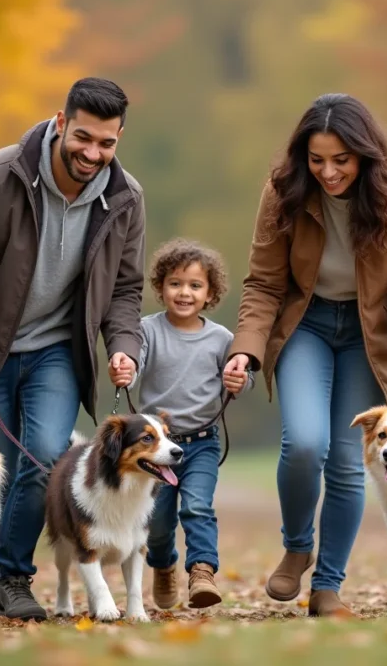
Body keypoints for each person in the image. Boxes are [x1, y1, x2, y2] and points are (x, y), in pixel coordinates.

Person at [0, 77, 146, 622]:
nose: (93, 153)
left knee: (45, 456)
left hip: (58, 351)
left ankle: (10, 579)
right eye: (83, 138)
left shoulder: (126, 199)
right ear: (60, 122)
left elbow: (125, 290)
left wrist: (123, 347)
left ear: (119, 139)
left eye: (107, 143)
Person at [222, 93, 387, 617]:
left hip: (373, 337)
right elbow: (264, 283)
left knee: (348, 462)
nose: (328, 172)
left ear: (365, 154)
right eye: (317, 160)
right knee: (304, 442)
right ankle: (297, 545)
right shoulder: (284, 195)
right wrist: (245, 352)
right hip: (308, 324)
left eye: (341, 160)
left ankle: (328, 587)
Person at [114, 238, 254, 611]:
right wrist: (125, 369)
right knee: (158, 523)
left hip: (202, 443)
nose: (184, 292)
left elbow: (240, 378)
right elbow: (135, 362)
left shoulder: (222, 338)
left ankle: (202, 572)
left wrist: (238, 380)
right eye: (175, 283)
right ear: (161, 288)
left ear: (210, 293)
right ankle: (162, 566)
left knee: (197, 507)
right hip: (154, 447)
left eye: (195, 285)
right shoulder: (148, 330)